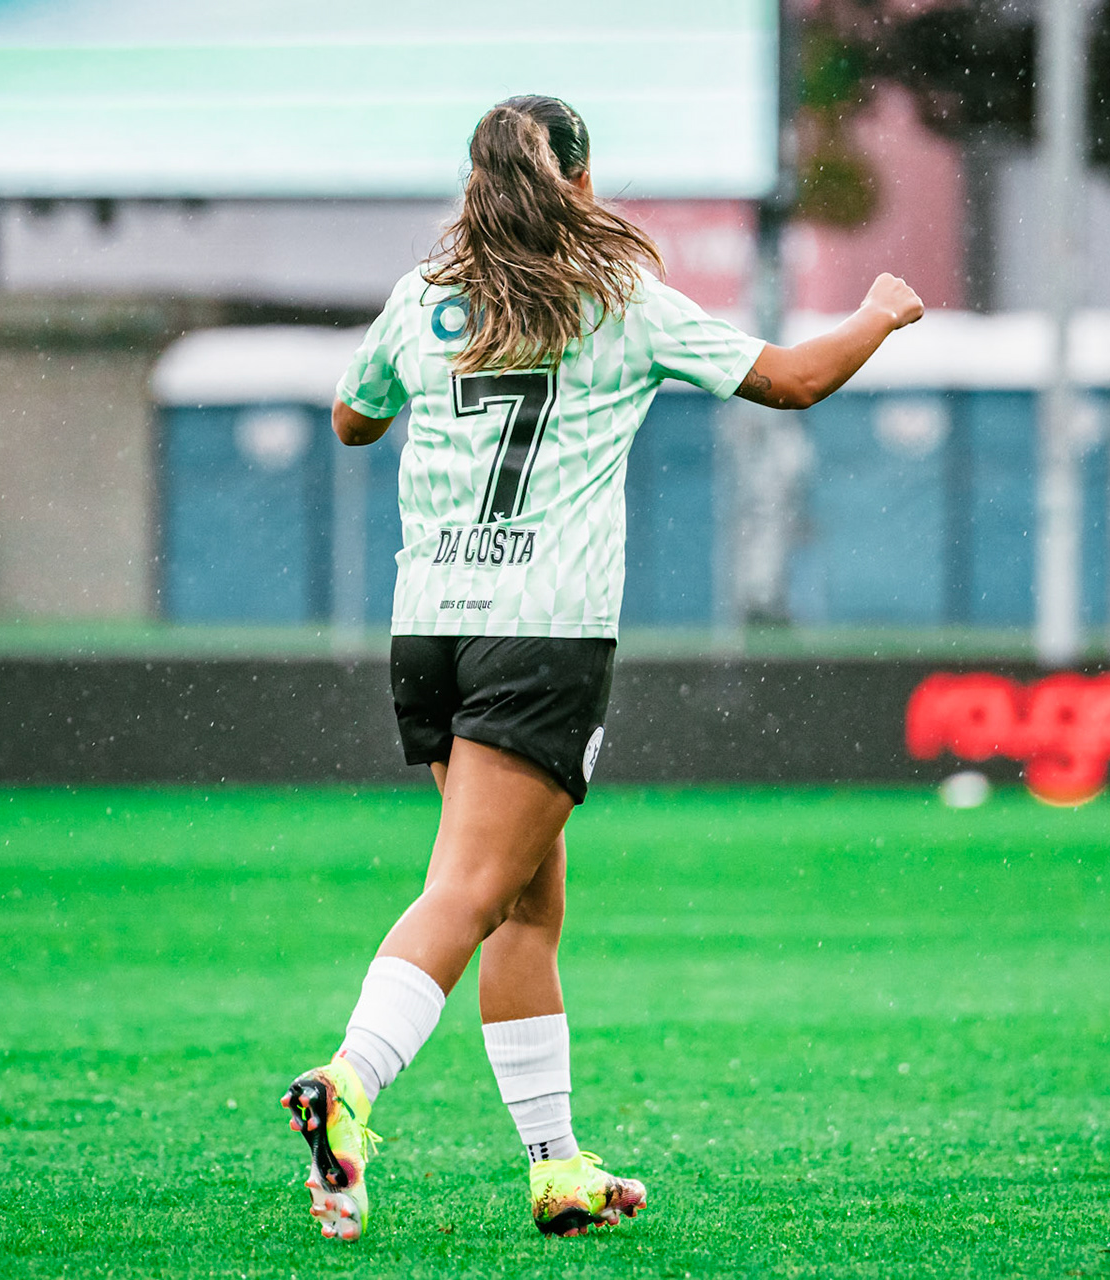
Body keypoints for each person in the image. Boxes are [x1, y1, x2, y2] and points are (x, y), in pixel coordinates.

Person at [279, 94, 923, 1243]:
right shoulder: (615, 301)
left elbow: (349, 418)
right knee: (472, 893)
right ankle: (351, 1082)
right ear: (579, 181)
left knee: (531, 902)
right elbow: (789, 381)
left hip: (432, 626)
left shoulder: (423, 299)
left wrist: (424, 388)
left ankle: (557, 1165)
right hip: (542, 633)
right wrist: (877, 313)